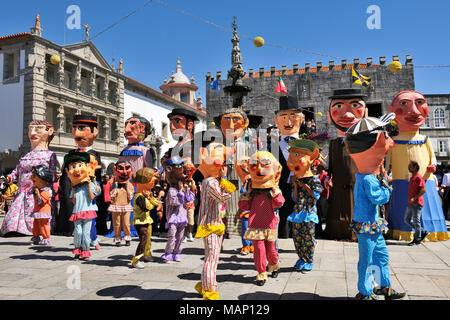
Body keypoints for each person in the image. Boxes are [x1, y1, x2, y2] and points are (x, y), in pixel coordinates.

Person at [345, 113, 405, 300]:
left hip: (373, 224)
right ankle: (365, 292)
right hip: (367, 226)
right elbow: (379, 198)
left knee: (381, 256)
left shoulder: (369, 177)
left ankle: (383, 286)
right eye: (385, 139)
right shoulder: (369, 179)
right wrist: (386, 186)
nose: (390, 144)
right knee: (368, 260)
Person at [386, 91, 449, 241]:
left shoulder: (424, 139)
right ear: (391, 110)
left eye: (420, 102)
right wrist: (383, 173)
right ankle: (403, 231)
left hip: (424, 181)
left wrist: (433, 165)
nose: (414, 111)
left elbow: (432, 156)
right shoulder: (393, 141)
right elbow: (387, 162)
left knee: (426, 208)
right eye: (403, 104)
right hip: (401, 182)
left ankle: (429, 231)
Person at [194, 140, 236, 300]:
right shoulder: (210, 182)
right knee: (211, 259)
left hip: (214, 224)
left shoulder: (211, 181)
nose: (224, 166)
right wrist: (229, 186)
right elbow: (221, 198)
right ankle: (210, 290)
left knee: (212, 258)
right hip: (210, 225)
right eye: (222, 162)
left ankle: (204, 284)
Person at [324, 88, 367, 241]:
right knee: (338, 207)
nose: (347, 114)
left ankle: (355, 231)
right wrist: (328, 177)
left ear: (365, 113)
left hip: (358, 184)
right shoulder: (334, 143)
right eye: (339, 107)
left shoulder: (365, 142)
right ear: (330, 116)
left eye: (355, 106)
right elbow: (331, 164)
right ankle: (337, 231)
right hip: (338, 185)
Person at [1, 120, 56, 237]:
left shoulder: (49, 155)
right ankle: (14, 229)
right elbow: (17, 169)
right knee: (13, 216)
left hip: (38, 192)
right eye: (30, 129)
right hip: (22, 193)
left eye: (38, 129)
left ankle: (35, 230)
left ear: (49, 132)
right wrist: (11, 176)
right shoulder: (25, 154)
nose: (32, 132)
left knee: (37, 214)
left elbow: (50, 175)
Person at [238, 151, 284, 286]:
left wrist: (274, 192)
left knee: (271, 249)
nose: (259, 169)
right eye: (255, 165)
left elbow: (279, 203)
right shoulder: (251, 189)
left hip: (269, 222)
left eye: (264, 165)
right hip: (255, 222)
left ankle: (274, 264)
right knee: (258, 249)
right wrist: (247, 194)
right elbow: (244, 205)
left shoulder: (273, 188)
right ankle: (261, 272)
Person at [56, 115, 104, 236]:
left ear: (94, 132)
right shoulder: (71, 153)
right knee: (68, 203)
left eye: (82, 128)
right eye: (74, 128)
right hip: (70, 186)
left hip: (86, 187)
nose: (76, 132)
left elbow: (95, 175)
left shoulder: (94, 154)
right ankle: (67, 227)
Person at [286, 139, 322, 272]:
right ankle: (301, 258)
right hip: (297, 212)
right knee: (297, 238)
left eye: (297, 155)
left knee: (308, 238)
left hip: (308, 212)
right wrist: (296, 185)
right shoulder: (296, 179)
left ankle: (309, 260)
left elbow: (316, 195)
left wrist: (304, 186)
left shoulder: (315, 179)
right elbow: (295, 198)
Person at [272, 95, 305, 239]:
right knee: (283, 214)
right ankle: (283, 235)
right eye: (283, 117)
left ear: (302, 119)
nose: (288, 121)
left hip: (303, 188)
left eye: (293, 116)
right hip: (282, 187)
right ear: (276, 121)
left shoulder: (308, 146)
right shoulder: (272, 147)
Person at [64, 152, 101, 260]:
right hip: (77, 212)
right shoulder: (74, 188)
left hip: (88, 212)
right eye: (73, 167)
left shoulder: (90, 185)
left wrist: (90, 184)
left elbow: (92, 197)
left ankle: (85, 251)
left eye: (80, 165)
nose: (76, 170)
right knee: (78, 233)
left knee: (85, 234)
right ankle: (77, 249)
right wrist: (74, 189)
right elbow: (73, 201)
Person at [130, 168, 159, 269]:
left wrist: (150, 198)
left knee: (147, 240)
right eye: (152, 179)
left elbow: (156, 203)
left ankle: (147, 254)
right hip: (140, 222)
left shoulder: (145, 195)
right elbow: (147, 208)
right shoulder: (139, 197)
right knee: (143, 240)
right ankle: (136, 260)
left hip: (147, 221)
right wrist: (149, 199)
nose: (154, 182)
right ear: (144, 181)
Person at [109, 161, 134, 247]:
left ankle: (127, 238)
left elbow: (130, 197)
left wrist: (127, 187)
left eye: (127, 168)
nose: (124, 172)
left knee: (126, 223)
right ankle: (117, 239)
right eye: (120, 168)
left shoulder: (130, 185)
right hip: (116, 206)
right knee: (117, 224)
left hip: (126, 206)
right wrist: (115, 186)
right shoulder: (113, 184)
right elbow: (112, 195)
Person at [404, 161, 428, 245]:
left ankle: (417, 239)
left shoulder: (419, 177)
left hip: (417, 203)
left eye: (410, 166)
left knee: (416, 221)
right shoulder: (412, 177)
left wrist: (414, 198)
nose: (408, 167)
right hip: (410, 203)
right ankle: (422, 231)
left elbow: (423, 190)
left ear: (415, 167)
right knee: (406, 220)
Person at [30, 164, 53, 245]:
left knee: (43, 225)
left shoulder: (46, 191)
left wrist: (37, 192)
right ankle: (36, 236)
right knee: (35, 225)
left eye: (34, 175)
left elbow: (41, 201)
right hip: (37, 211)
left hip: (44, 212)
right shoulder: (40, 190)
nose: (31, 178)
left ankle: (46, 238)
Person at [316, 164, 329, 238]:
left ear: (321, 168)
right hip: (321, 197)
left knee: (321, 215)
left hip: (322, 197)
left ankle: (320, 233)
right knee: (321, 215)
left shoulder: (324, 175)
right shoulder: (323, 175)